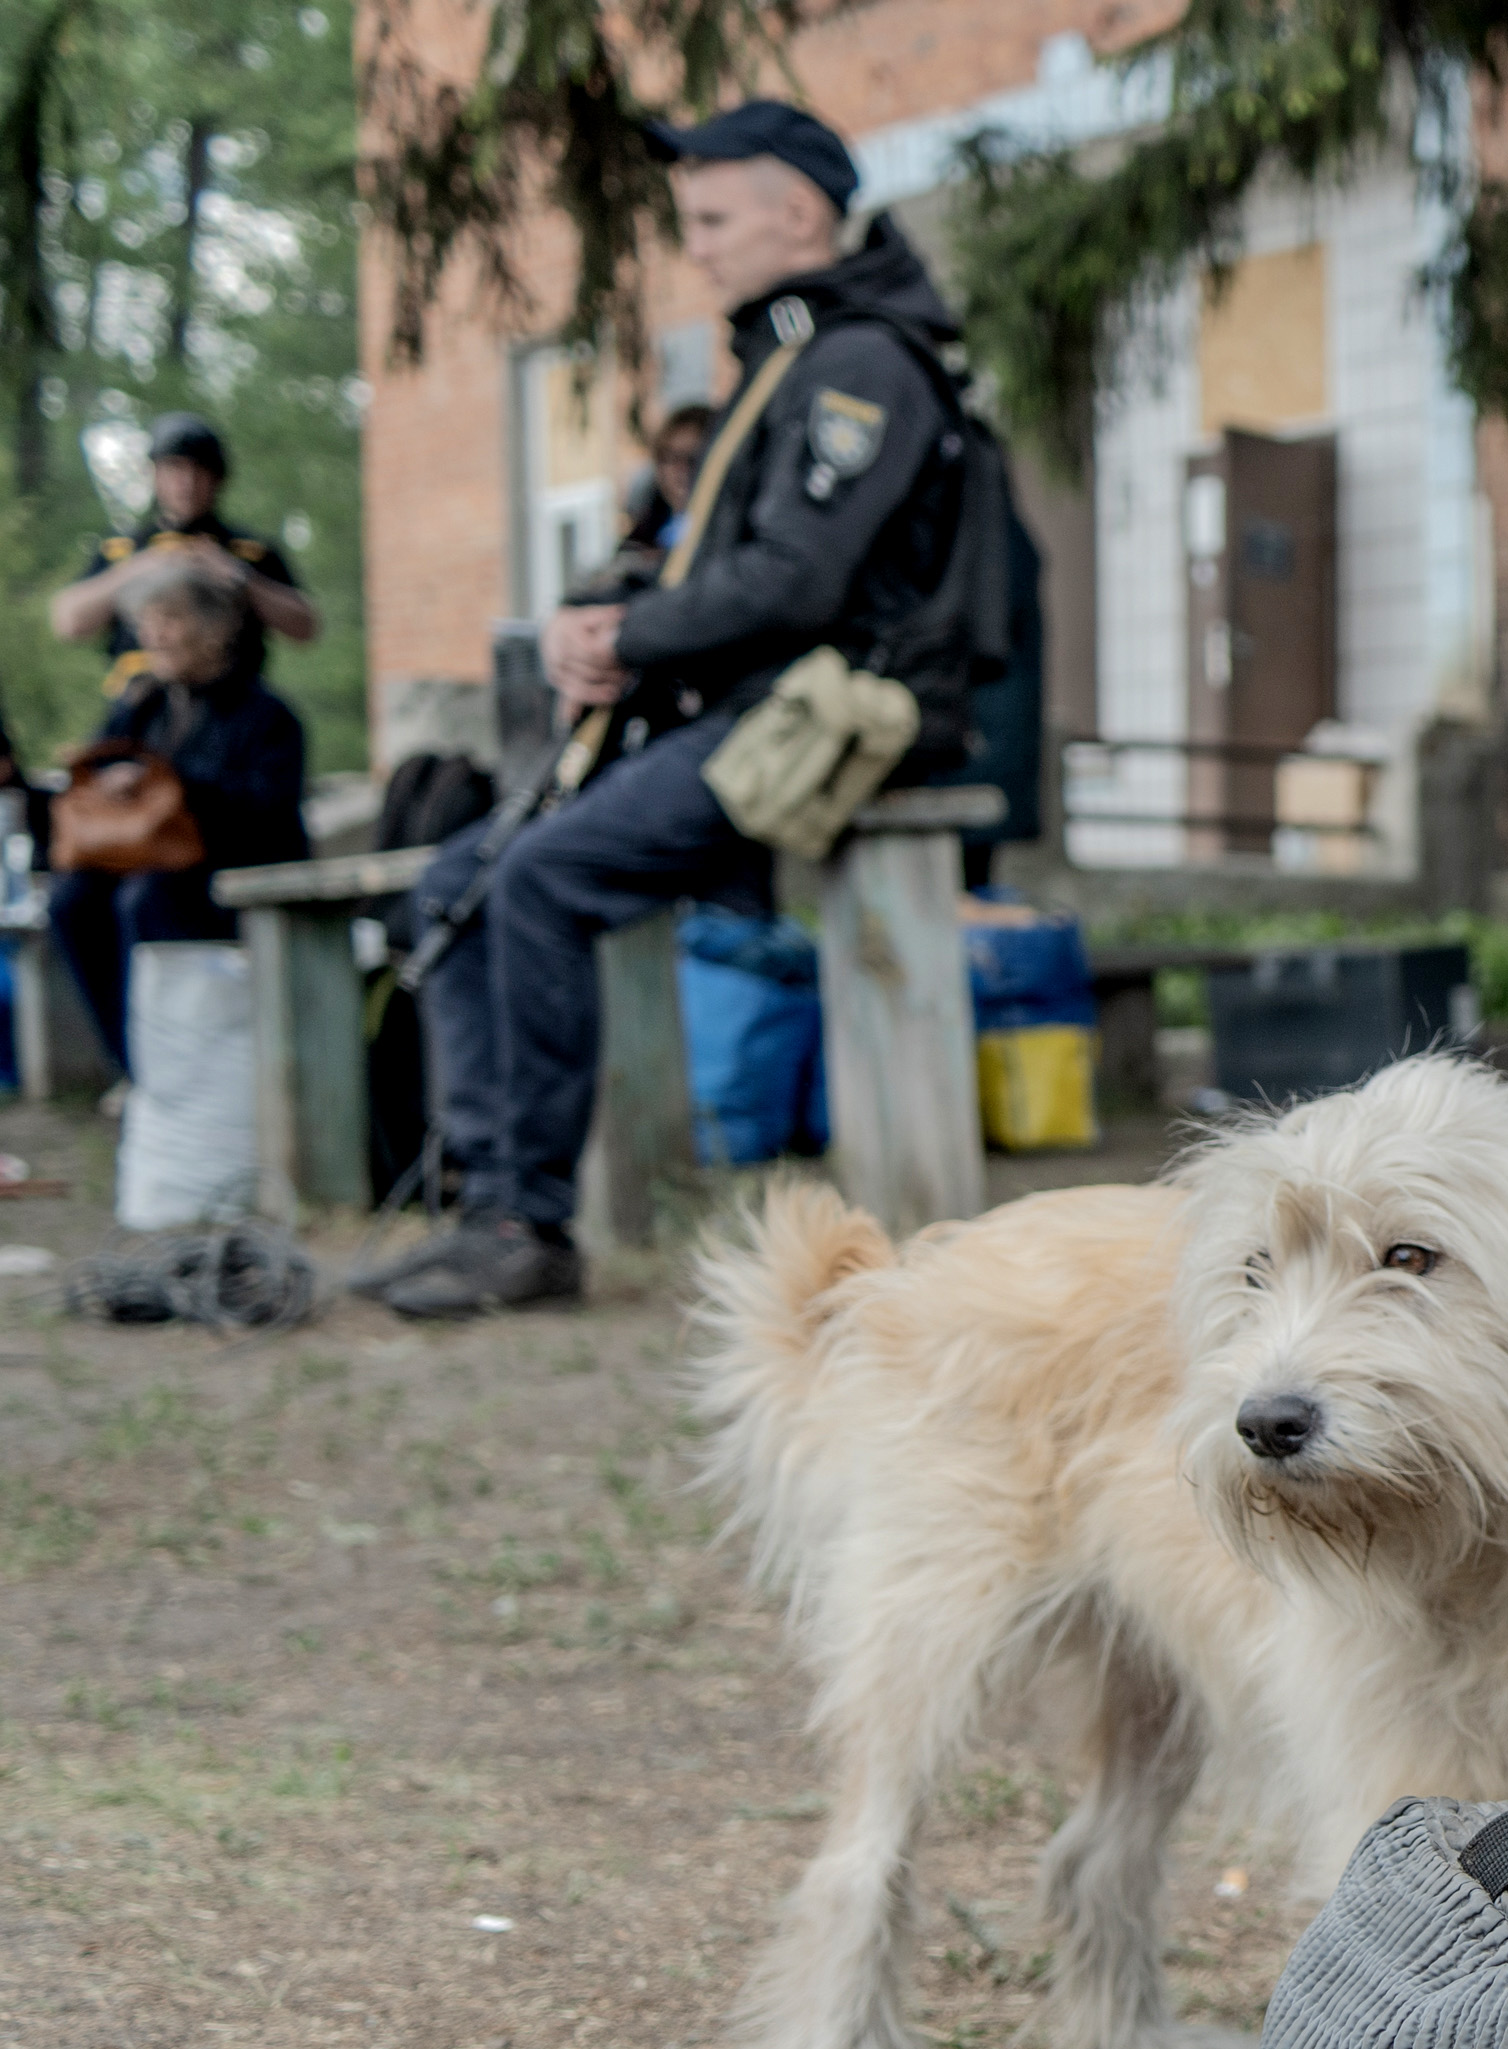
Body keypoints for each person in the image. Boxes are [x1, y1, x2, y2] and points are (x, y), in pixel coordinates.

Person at [367, 100, 986, 1319]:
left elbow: (798, 581)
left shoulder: (862, 362)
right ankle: (481, 1190)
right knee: (455, 883)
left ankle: (529, 1226)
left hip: (821, 718)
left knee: (540, 879)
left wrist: (632, 635)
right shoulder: (793, 354)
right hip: (747, 705)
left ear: (797, 211)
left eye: (710, 217)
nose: (691, 244)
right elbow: (722, 566)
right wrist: (602, 620)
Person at [45, 564, 308, 1076]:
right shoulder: (144, 704)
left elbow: (267, 810)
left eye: (168, 620)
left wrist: (174, 784)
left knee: (144, 900)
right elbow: (101, 759)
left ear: (214, 628)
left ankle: (176, 1061)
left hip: (233, 868)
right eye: (147, 622)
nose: (153, 636)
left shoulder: (266, 715)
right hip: (152, 864)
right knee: (71, 900)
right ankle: (131, 1061)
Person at [49, 412, 322, 691]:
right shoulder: (123, 549)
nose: (187, 482)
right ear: (154, 474)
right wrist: (136, 570)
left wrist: (240, 579)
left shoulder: (248, 551)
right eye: (175, 468)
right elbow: (68, 624)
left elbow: (307, 628)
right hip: (138, 704)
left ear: (219, 478)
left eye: (199, 470)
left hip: (228, 705)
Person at [603, 401, 717, 592]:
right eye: (668, 458)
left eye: (692, 458)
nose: (679, 470)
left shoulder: (730, 537)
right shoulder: (646, 531)